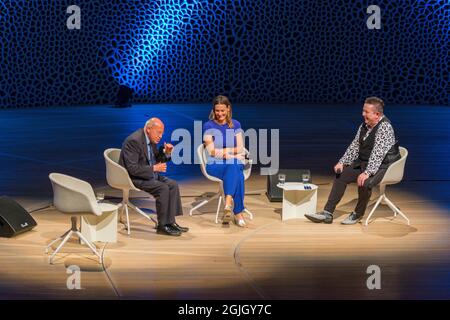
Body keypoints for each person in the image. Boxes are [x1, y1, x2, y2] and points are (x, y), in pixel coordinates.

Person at [305, 97, 401, 225]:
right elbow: (355, 146)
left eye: (366, 112)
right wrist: (342, 162)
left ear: (377, 114)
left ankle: (357, 214)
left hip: (384, 166)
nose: (363, 114)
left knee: (364, 182)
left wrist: (367, 172)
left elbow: (377, 154)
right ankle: (328, 212)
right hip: (364, 162)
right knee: (341, 175)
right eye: (363, 111)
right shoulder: (364, 125)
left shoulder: (385, 127)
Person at [119, 117, 188, 236]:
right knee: (162, 188)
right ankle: (162, 226)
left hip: (147, 174)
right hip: (133, 177)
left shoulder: (150, 140)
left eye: (162, 133)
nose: (160, 136)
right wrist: (154, 168)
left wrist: (167, 153)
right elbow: (132, 169)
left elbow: (157, 158)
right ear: (149, 129)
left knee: (172, 185)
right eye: (159, 132)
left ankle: (170, 222)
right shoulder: (134, 141)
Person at [203, 95, 248, 227]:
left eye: (223, 110)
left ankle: (228, 203)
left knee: (234, 167)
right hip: (214, 164)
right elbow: (211, 151)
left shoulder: (236, 124)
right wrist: (231, 154)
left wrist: (224, 152)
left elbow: (240, 148)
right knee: (237, 171)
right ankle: (238, 212)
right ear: (214, 110)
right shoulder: (208, 125)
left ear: (228, 109)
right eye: (217, 110)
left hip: (231, 162)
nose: (220, 113)